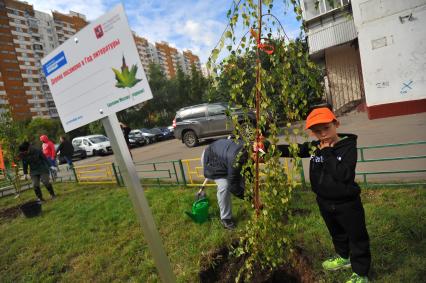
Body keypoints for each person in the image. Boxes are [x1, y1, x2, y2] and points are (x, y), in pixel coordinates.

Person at [257, 106, 371, 283]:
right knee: (337, 233)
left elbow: (344, 174)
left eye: (326, 128)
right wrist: (268, 147)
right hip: (324, 201)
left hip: (347, 203)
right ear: (312, 133)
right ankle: (343, 257)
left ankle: (361, 273)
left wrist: (326, 152)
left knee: (357, 236)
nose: (323, 134)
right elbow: (293, 150)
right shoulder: (314, 147)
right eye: (318, 131)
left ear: (336, 124)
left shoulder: (347, 147)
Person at [201, 138, 248, 230]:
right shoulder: (236, 156)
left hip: (223, 157)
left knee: (240, 177)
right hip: (211, 159)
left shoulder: (249, 149)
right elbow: (233, 185)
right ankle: (226, 219)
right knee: (225, 186)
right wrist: (249, 198)